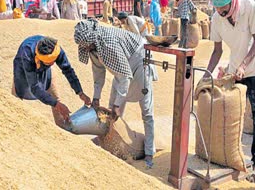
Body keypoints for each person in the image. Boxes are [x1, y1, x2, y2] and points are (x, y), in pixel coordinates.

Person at [205, 0, 255, 183]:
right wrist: (207, 74)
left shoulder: (249, 7)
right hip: (234, 71)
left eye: (225, 10)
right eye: (219, 11)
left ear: (233, 1)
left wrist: (244, 66)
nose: (222, 14)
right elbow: (217, 50)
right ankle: (231, 156)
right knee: (230, 114)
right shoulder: (216, 18)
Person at [74, 20, 157, 168]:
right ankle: (108, 142)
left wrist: (118, 105)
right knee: (111, 110)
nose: (85, 48)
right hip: (124, 67)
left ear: (91, 40)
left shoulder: (107, 45)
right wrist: (96, 98)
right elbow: (98, 74)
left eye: (86, 45)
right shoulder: (93, 47)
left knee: (146, 110)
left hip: (139, 60)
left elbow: (124, 76)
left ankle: (150, 152)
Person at [13, 36, 91, 126]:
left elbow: (68, 70)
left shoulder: (56, 50)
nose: (54, 63)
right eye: (50, 63)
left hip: (44, 68)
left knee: (54, 94)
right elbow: (34, 87)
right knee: (17, 96)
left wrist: (80, 92)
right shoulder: (27, 54)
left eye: (54, 61)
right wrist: (56, 104)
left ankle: (62, 126)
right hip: (23, 68)